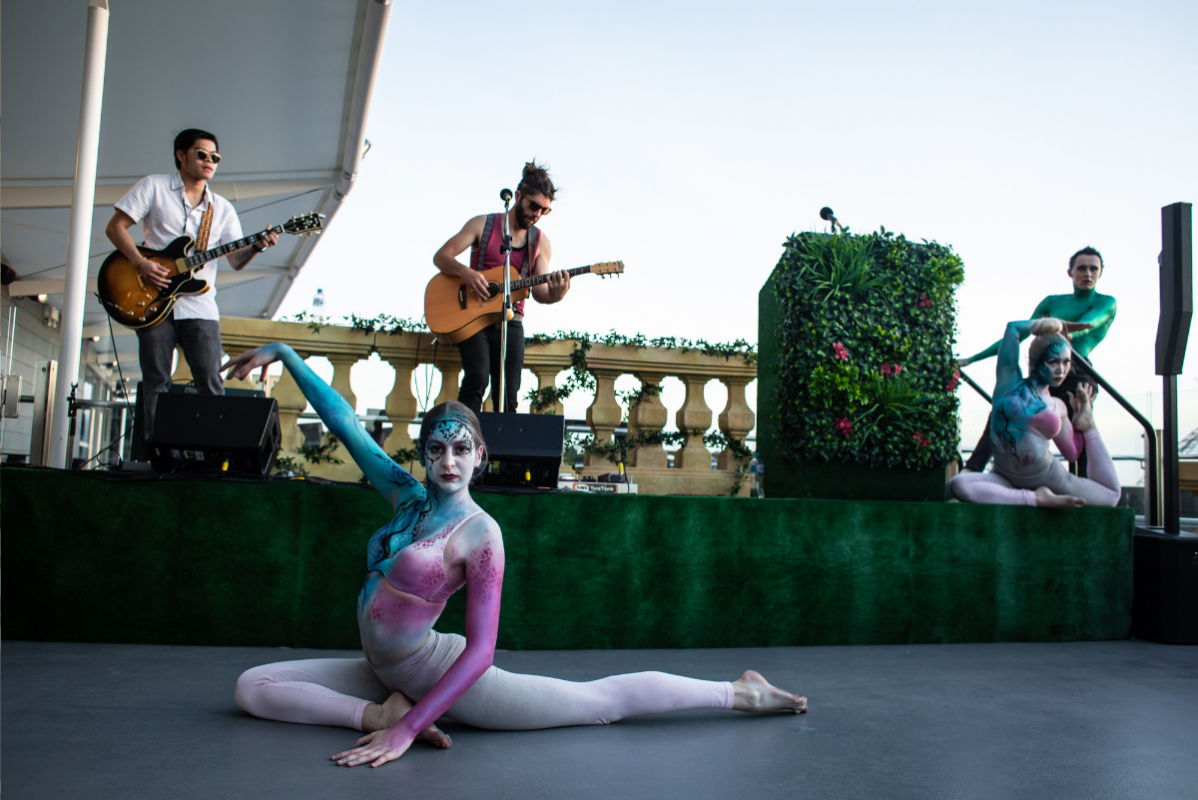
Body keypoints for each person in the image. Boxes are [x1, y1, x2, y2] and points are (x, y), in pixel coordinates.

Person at [223, 342, 807, 768]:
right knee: (254, 686)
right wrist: (287, 353)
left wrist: (412, 732)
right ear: (424, 455)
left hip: (444, 672)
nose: (447, 462)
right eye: (436, 450)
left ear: (479, 454)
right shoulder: (405, 494)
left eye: (460, 449)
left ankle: (740, 692)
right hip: (383, 674)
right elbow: (347, 423)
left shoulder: (482, 535)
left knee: (596, 703)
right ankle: (379, 713)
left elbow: (479, 654)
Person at [104, 128, 279, 449]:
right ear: (180, 155)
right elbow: (115, 227)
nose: (209, 161)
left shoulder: (222, 208)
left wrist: (258, 247)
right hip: (152, 299)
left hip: (200, 305)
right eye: (202, 154)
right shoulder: (154, 186)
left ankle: (211, 456)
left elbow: (236, 261)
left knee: (211, 383)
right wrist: (141, 264)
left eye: (215, 157)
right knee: (157, 380)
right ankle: (158, 452)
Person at [958, 247, 1116, 476]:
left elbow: (1088, 324)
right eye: (1082, 268)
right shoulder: (1052, 302)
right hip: (1044, 369)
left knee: (1079, 427)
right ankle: (972, 469)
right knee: (1004, 409)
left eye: (1094, 269)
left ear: (1101, 272)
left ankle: (1083, 488)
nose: (1088, 274)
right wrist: (972, 359)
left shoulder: (1106, 302)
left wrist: (1060, 328)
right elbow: (1016, 336)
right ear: (1070, 272)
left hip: (1078, 371)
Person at [432, 161, 570, 414]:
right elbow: (441, 257)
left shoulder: (540, 242)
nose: (537, 214)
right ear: (518, 196)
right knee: (478, 378)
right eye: (534, 206)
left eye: (544, 210)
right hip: (473, 317)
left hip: (511, 320)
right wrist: (467, 273)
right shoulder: (481, 225)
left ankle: (504, 454)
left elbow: (539, 292)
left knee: (508, 394)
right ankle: (465, 445)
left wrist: (555, 295)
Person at [949, 318, 1121, 509]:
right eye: (1053, 361)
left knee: (1111, 497)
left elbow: (1072, 453)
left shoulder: (1058, 406)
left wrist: (1083, 425)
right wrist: (1055, 324)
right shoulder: (1008, 381)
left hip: (1050, 478)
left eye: (1066, 362)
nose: (1061, 370)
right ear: (1034, 361)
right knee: (958, 485)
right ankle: (1036, 499)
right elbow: (1013, 328)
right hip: (1003, 477)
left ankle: (1088, 424)